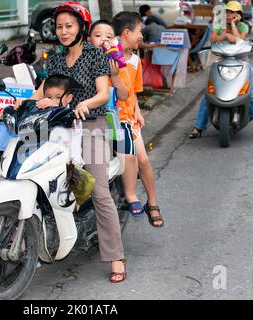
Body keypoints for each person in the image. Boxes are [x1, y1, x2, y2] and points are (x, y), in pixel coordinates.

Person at [29, 2, 127, 283]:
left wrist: (83, 104)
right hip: (59, 127)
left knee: (98, 191)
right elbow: (41, 92)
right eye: (59, 26)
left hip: (91, 126)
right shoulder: (55, 59)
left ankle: (115, 255)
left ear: (81, 28)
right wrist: (20, 105)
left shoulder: (96, 55)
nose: (63, 31)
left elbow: (102, 93)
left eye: (69, 26)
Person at [112, 11, 164, 228]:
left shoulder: (134, 60)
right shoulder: (108, 54)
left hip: (128, 119)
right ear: (126, 33)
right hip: (108, 119)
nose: (141, 36)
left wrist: (138, 111)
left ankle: (152, 202)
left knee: (143, 159)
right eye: (139, 31)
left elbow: (132, 91)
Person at [189, 1, 253, 142]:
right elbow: (213, 39)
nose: (229, 15)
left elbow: (240, 40)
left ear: (238, 14)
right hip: (222, 62)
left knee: (252, 95)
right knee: (208, 94)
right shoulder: (219, 25)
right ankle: (198, 127)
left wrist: (233, 25)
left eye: (233, 12)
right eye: (227, 12)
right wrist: (225, 35)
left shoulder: (243, 25)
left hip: (242, 63)